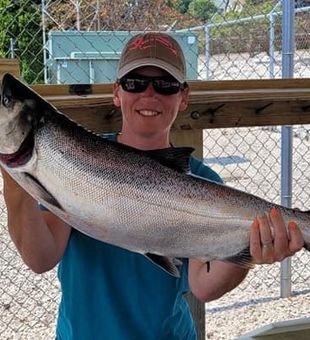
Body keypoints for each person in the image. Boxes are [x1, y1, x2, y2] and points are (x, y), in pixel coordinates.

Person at [1, 32, 304, 340]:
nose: (150, 94)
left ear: (183, 97)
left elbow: (203, 285)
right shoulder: (76, 159)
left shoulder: (204, 182)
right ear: (117, 92)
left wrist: (252, 252)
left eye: (165, 85)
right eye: (135, 83)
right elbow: (40, 258)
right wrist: (15, 182)